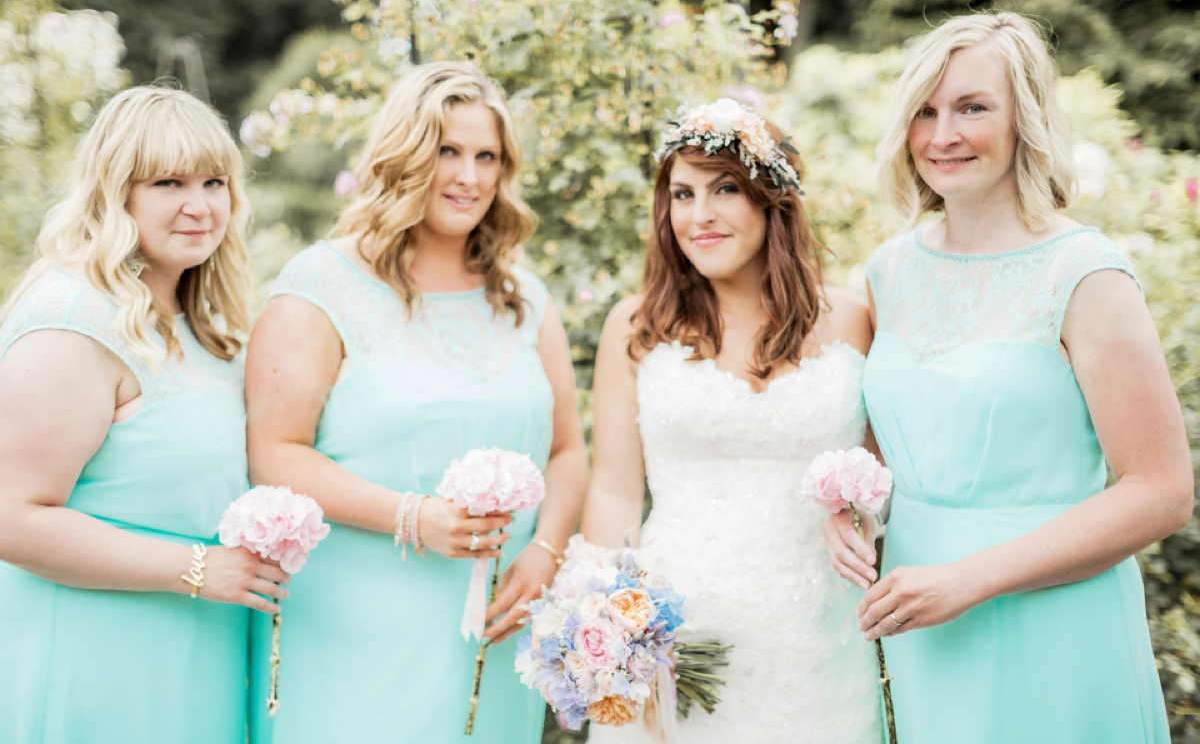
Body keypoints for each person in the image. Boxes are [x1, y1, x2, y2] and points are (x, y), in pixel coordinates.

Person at [824, 11, 1193, 743]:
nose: (942, 135)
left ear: (1025, 117)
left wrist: (972, 576)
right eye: (924, 112)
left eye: (972, 108)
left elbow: (1162, 491)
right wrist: (850, 507)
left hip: (1053, 619)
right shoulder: (888, 271)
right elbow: (885, 448)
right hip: (923, 625)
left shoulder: (1084, 274)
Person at [244, 61, 587, 743]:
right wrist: (413, 516)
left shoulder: (524, 295)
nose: (469, 176)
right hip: (354, 632)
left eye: (486, 156)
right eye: (447, 152)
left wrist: (545, 551)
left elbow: (567, 447)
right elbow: (274, 453)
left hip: (493, 634)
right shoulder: (321, 284)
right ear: (404, 156)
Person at [580, 99, 884, 743]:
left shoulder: (856, 320)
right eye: (682, 194)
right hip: (675, 646)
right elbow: (613, 488)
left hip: (818, 646)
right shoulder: (635, 329)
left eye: (724, 189)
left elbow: (883, 474)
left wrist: (862, 513)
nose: (699, 216)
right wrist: (609, 635)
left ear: (772, 199)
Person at [0, 86, 289, 744]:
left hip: (195, 655)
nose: (200, 205)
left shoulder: (205, 323)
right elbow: (9, 517)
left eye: (214, 181)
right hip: (96, 659)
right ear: (115, 194)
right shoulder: (70, 323)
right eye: (168, 182)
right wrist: (195, 568)